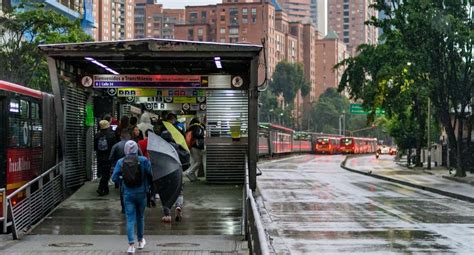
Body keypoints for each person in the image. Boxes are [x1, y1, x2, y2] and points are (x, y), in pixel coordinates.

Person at [111, 141, 152, 254]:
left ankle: (131, 245)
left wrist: (122, 182)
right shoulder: (143, 160)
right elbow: (150, 174)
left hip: (128, 193)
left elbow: (114, 178)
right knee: (140, 217)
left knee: (130, 218)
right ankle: (140, 241)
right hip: (142, 192)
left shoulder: (121, 162)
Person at [94, 120, 116, 196]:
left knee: (104, 172)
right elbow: (114, 147)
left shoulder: (96, 135)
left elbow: (95, 147)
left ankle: (106, 190)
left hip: (100, 157)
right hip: (108, 157)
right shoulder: (111, 135)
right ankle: (100, 188)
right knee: (106, 174)